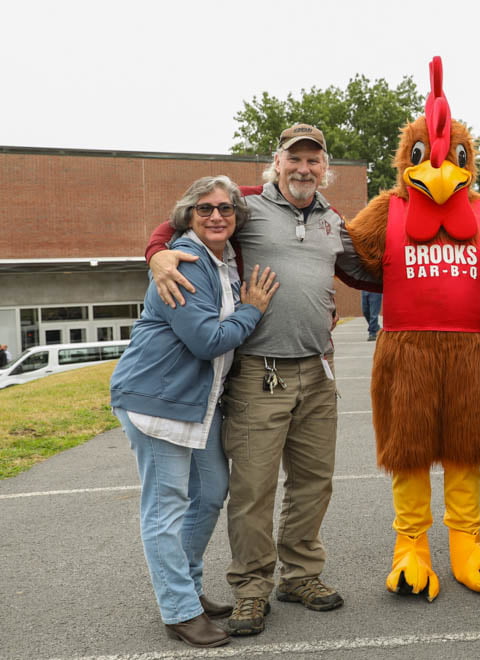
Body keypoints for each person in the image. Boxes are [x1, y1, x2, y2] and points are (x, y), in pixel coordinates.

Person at [145, 123, 372, 635]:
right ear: (277, 161)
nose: (304, 169)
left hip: (318, 370)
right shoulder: (245, 205)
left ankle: (301, 575)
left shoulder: (332, 218)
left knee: (313, 483)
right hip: (259, 375)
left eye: (314, 161)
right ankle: (250, 588)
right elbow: (181, 221)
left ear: (325, 167)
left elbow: (365, 272)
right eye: (296, 159)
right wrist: (156, 252)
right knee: (252, 490)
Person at [110, 176, 278, 648]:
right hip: (156, 399)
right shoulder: (183, 262)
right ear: (187, 217)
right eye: (204, 209)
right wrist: (252, 310)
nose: (216, 215)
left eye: (226, 208)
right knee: (165, 508)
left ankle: (184, 588)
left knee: (209, 493)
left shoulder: (220, 262)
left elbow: (269, 184)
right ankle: (179, 610)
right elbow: (207, 340)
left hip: (195, 403)